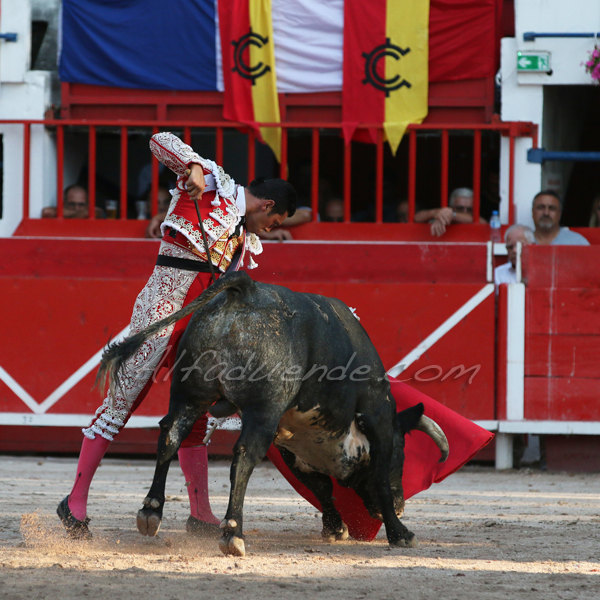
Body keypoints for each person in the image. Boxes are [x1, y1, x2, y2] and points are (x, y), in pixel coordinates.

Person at [57, 131, 296, 540]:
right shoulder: (213, 183)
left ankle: (200, 513)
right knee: (121, 404)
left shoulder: (242, 234)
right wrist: (195, 168)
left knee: (197, 413)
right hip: (161, 314)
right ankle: (74, 501)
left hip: (202, 327)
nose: (269, 231)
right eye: (273, 223)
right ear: (268, 206)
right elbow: (159, 139)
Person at [415, 188, 485, 237]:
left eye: (469, 209)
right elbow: (416, 218)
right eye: (460, 208)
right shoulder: (440, 218)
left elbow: (484, 224)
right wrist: (435, 213)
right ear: (451, 207)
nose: (465, 212)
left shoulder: (477, 221)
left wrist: (451, 215)